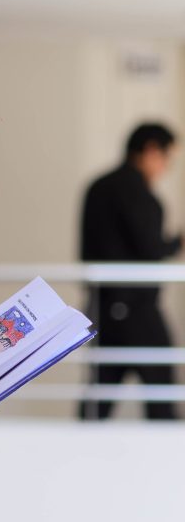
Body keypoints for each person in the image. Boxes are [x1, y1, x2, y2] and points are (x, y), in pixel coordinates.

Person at [79, 122, 183, 420]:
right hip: (137, 311)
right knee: (162, 393)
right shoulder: (139, 193)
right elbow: (150, 248)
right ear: (151, 150)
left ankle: (78, 456)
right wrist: (176, 243)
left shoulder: (97, 187)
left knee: (98, 398)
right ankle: (167, 461)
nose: (165, 167)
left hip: (102, 307)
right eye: (167, 159)